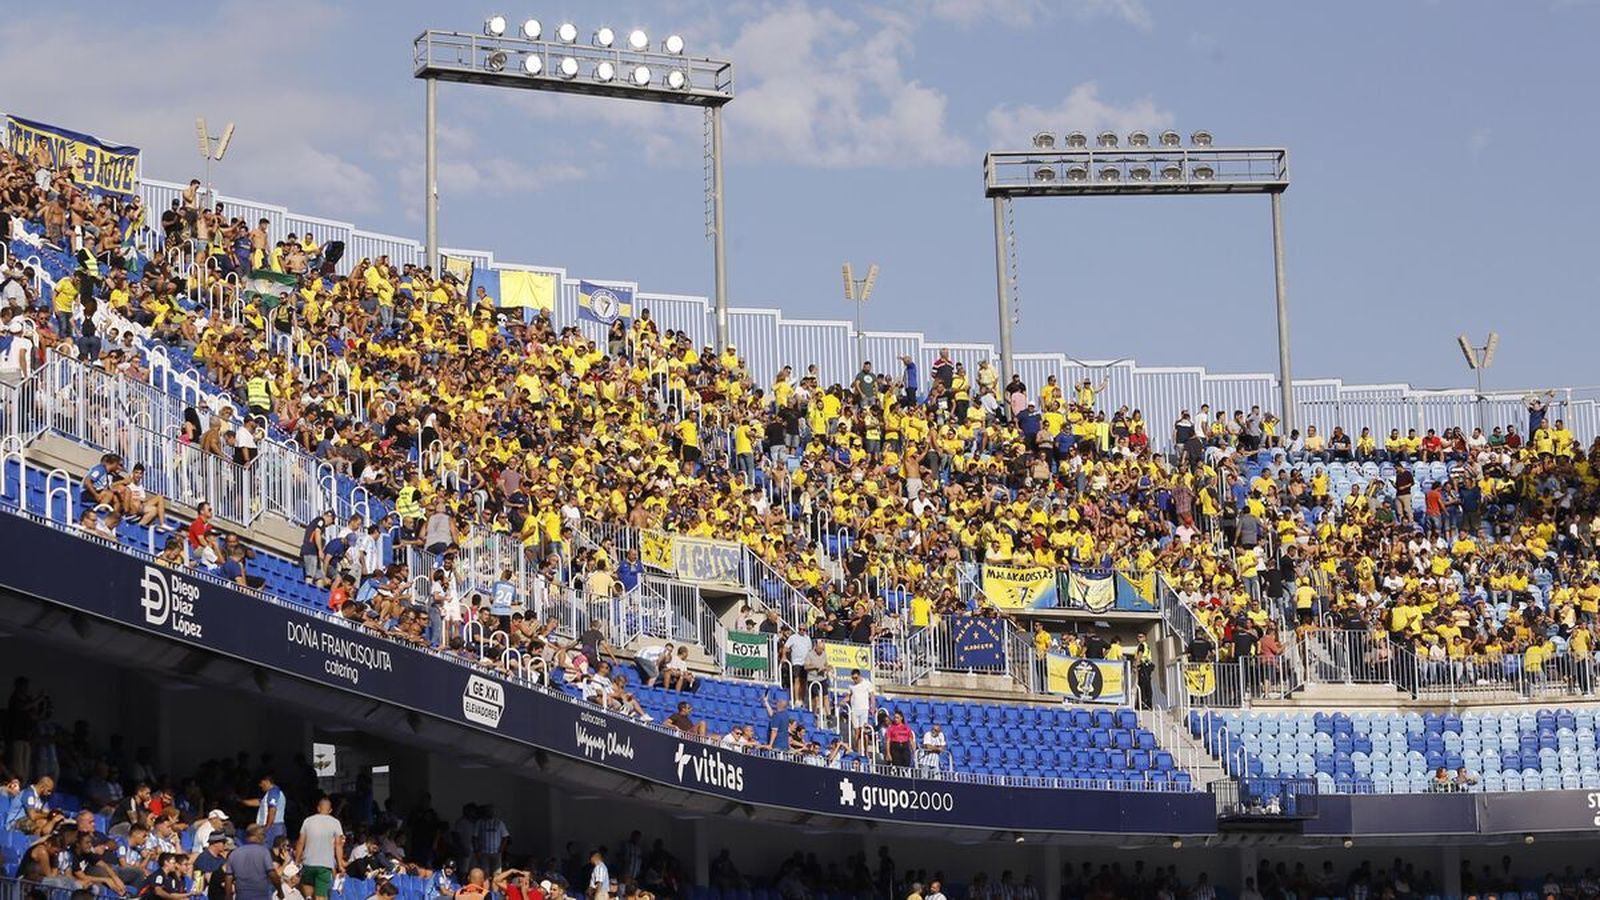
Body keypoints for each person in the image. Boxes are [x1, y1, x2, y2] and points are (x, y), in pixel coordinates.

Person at [295, 796, 345, 900]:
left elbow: (300, 842)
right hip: (325, 865)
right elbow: (338, 845)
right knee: (321, 895)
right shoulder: (335, 823)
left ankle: (308, 898)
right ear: (330, 810)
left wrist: (297, 860)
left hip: (308, 862)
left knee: (308, 886)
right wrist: (340, 864)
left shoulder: (307, 821)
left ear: (318, 808)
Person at [228, 824, 282, 900]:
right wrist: (280, 891)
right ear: (257, 836)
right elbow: (272, 874)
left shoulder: (234, 853)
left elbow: (229, 877)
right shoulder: (264, 852)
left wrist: (228, 897)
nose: (264, 838)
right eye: (263, 835)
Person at [243, 773, 287, 846]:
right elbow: (258, 802)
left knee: (271, 849)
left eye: (261, 783)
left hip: (273, 826)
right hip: (274, 826)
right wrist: (241, 801)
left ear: (267, 781)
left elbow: (272, 809)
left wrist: (267, 827)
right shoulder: (269, 794)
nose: (260, 785)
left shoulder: (273, 792)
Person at [845, 669, 877, 753]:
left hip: (864, 709)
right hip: (854, 710)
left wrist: (872, 707)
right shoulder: (851, 686)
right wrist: (841, 702)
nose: (854, 680)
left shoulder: (867, 683)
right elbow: (849, 696)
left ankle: (865, 751)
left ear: (859, 676)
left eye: (856, 678)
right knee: (856, 732)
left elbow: (872, 696)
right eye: (853, 678)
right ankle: (858, 751)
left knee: (863, 731)